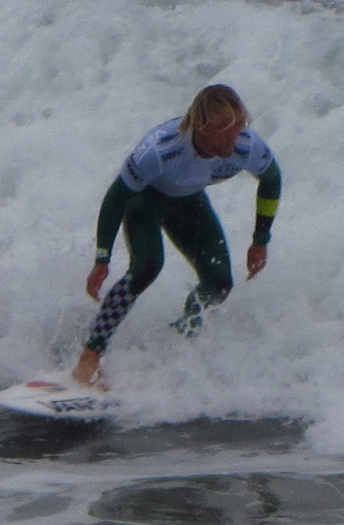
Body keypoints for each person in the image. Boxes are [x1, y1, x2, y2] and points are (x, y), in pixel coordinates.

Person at [72, 84, 282, 388]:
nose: (231, 139)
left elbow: (272, 180)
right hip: (145, 202)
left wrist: (260, 240)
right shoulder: (159, 149)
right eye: (223, 130)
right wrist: (102, 258)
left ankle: (179, 340)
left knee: (219, 283)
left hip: (190, 204)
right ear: (201, 126)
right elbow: (116, 198)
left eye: (237, 127)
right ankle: (90, 356)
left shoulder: (246, 146)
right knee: (147, 267)